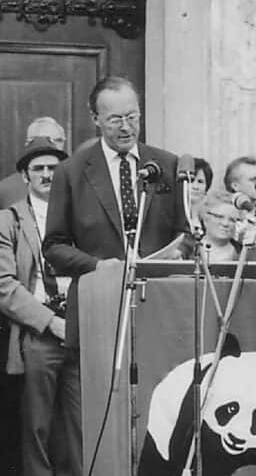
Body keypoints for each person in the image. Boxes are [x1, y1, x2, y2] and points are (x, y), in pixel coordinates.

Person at [43, 76, 186, 347]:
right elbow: (54, 246)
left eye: (133, 117)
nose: (126, 128)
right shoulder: (71, 172)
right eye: (115, 120)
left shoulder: (167, 164)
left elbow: (186, 231)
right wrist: (97, 266)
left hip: (160, 303)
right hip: (98, 303)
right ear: (96, 119)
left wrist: (175, 253)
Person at [0, 136, 82, 476]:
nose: (47, 175)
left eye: (53, 168)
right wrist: (49, 321)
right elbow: (4, 286)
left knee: (80, 423)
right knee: (38, 425)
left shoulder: (79, 218)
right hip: (39, 333)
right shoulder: (7, 221)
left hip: (82, 328)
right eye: (39, 169)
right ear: (25, 176)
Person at [0, 116, 68, 214]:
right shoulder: (5, 191)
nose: (53, 146)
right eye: (46, 140)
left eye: (59, 140)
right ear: (28, 144)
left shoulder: (79, 184)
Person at [199, 190, 241, 261]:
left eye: (232, 220)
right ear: (205, 219)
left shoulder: (242, 252)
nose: (225, 224)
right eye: (219, 217)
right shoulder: (188, 248)